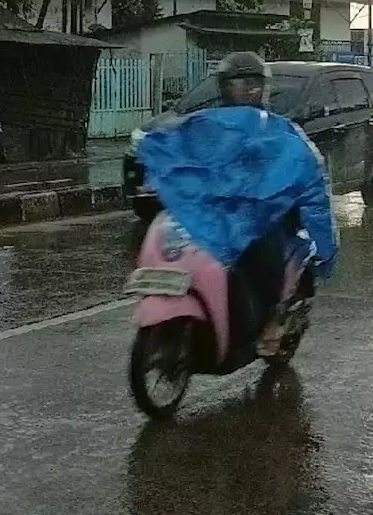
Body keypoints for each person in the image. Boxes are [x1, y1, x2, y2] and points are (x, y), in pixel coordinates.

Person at [140, 51, 337, 356]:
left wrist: (326, 248)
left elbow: (313, 181)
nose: (245, 90)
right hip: (218, 213)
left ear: (264, 88)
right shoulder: (206, 125)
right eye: (237, 83)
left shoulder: (281, 130)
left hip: (268, 218)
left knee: (263, 252)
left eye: (252, 83)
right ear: (223, 87)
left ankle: (272, 321)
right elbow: (179, 154)